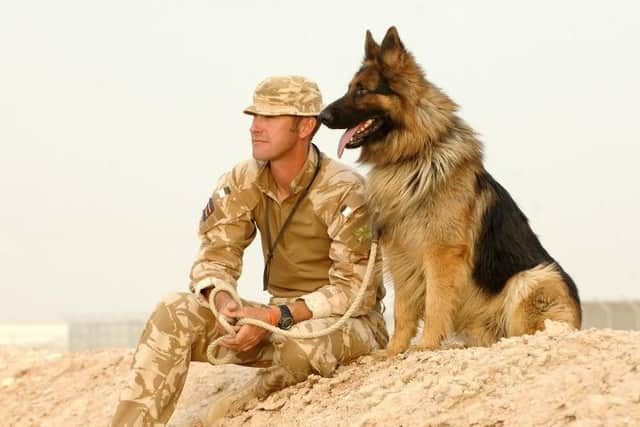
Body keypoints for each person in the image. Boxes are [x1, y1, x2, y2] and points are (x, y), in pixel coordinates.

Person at [110, 75, 388, 426]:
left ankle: (233, 408)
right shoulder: (243, 180)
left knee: (300, 342)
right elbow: (215, 256)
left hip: (345, 326)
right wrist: (225, 302)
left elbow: (355, 291)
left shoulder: (344, 191)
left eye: (270, 118)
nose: (256, 127)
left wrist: (276, 318)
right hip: (273, 321)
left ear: (305, 126)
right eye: (255, 117)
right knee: (173, 309)